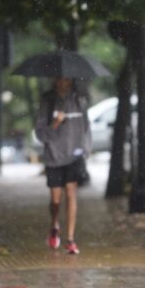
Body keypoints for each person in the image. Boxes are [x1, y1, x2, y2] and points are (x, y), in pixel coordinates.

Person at [35, 77, 91, 255]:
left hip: (74, 156)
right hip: (54, 157)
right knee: (56, 200)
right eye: (60, 78)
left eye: (67, 79)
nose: (63, 82)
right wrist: (55, 123)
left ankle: (71, 239)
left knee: (71, 195)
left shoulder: (79, 101)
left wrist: (85, 151)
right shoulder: (48, 102)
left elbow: (86, 128)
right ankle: (54, 224)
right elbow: (40, 134)